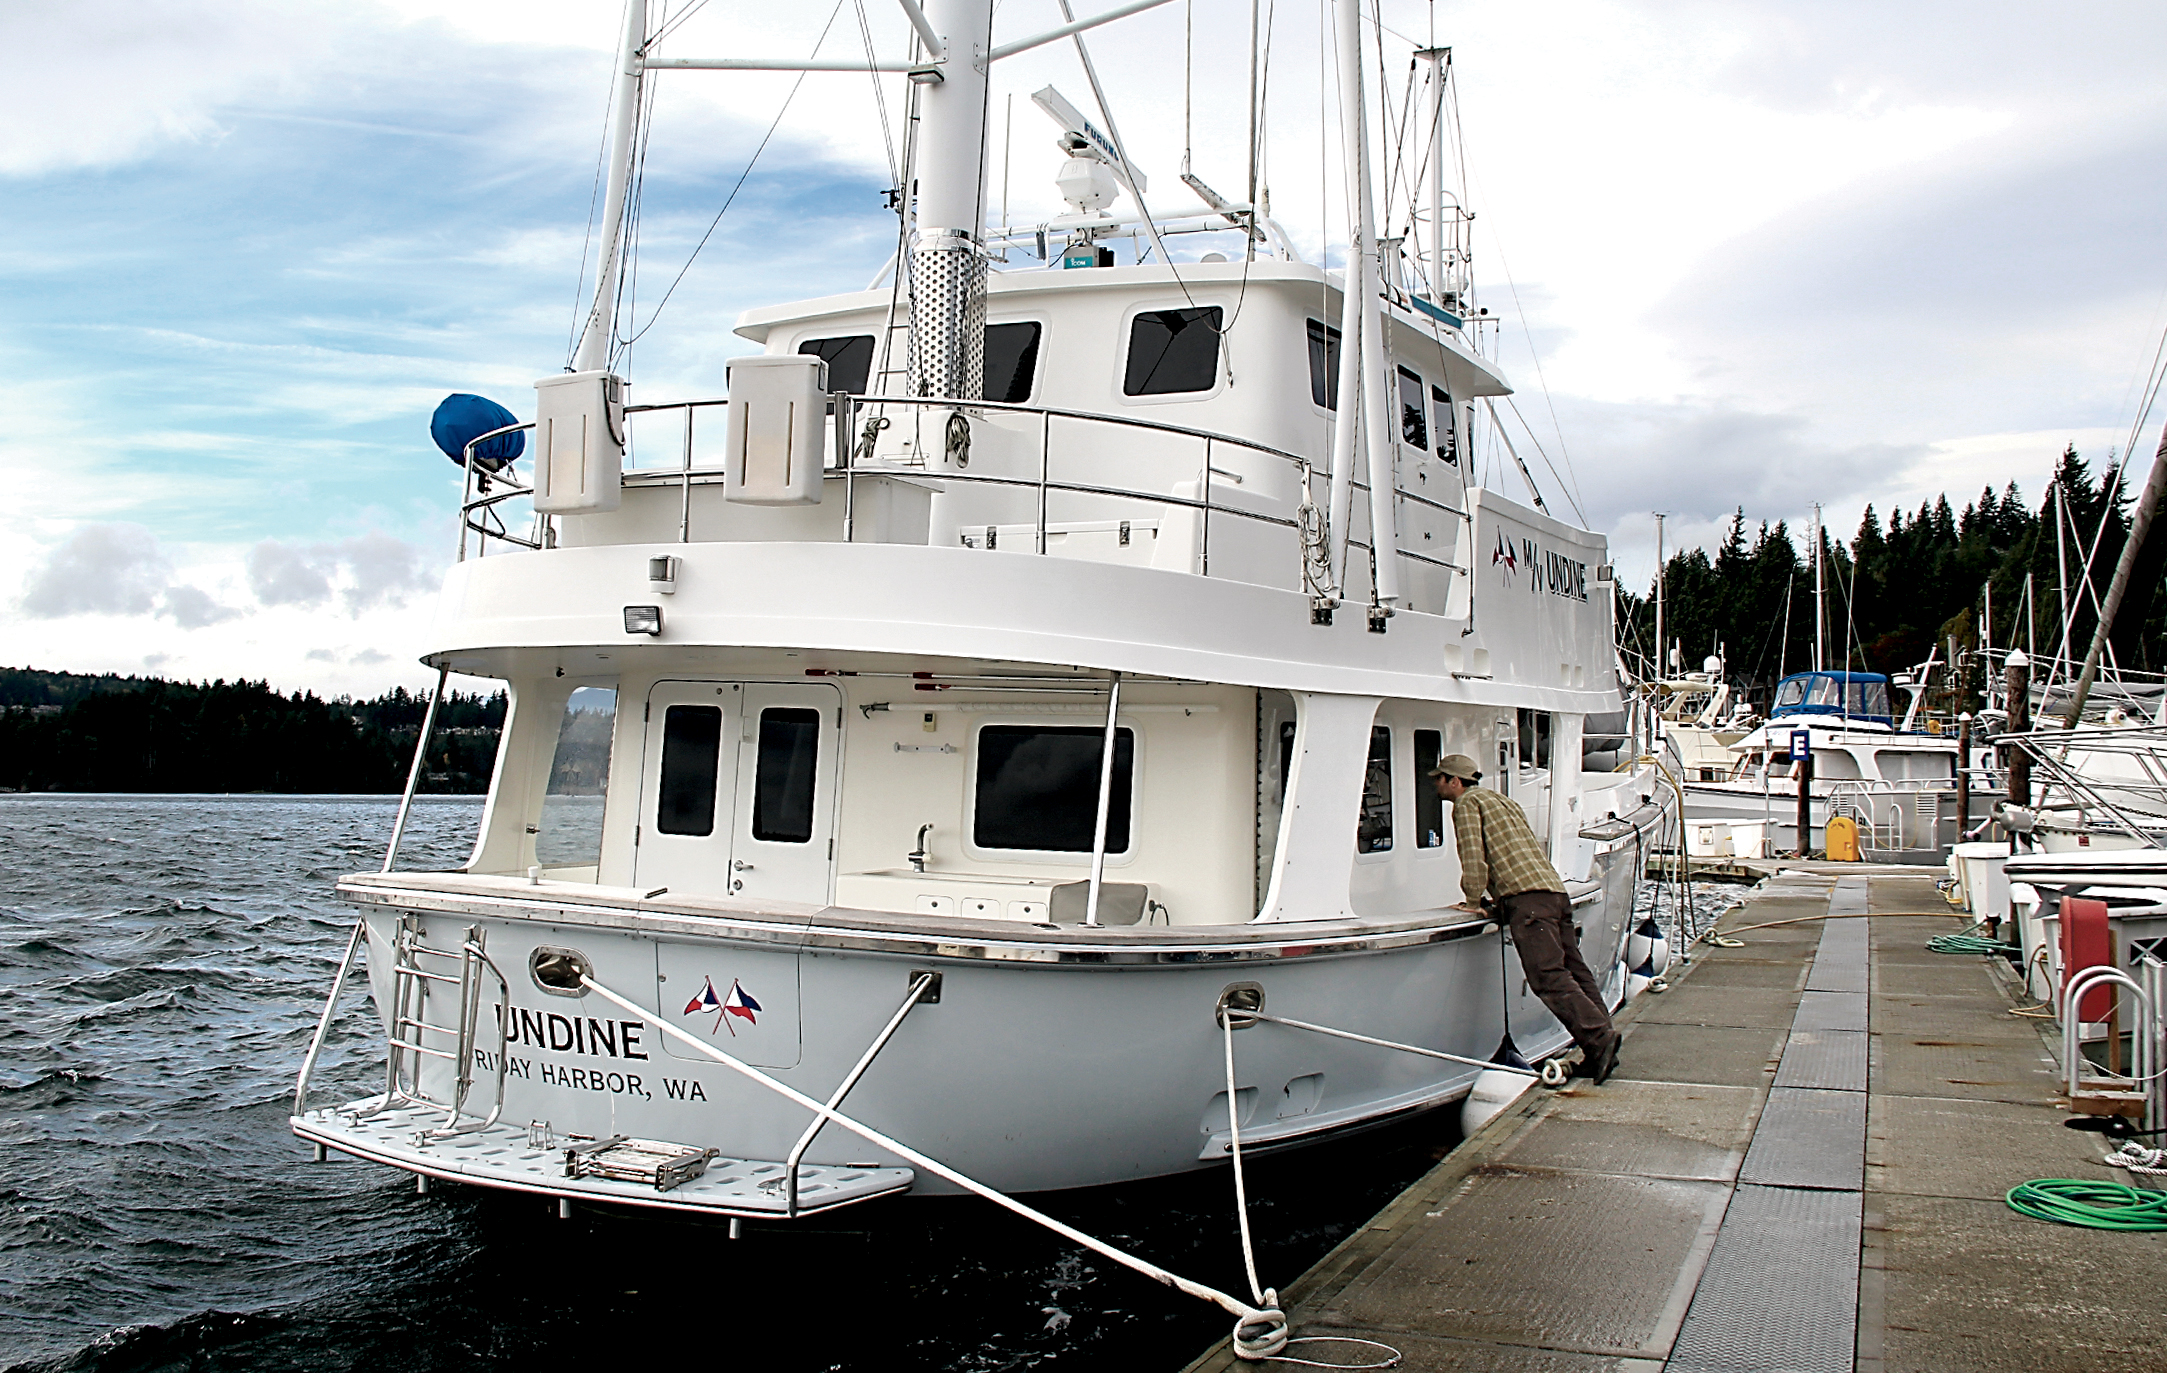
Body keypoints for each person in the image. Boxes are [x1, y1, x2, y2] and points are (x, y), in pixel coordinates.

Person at [1429, 753, 1619, 1083]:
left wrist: (1473, 899)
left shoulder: (1467, 805)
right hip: (1553, 893)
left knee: (1547, 977)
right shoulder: (1504, 802)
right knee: (1574, 970)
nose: (1436, 784)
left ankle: (1600, 1041)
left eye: (1440, 779)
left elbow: (1474, 855)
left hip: (1527, 902)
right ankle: (1601, 1042)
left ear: (1454, 781)